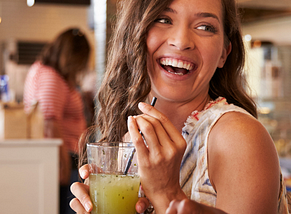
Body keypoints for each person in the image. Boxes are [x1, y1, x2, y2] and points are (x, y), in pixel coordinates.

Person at [69, 0, 290, 213]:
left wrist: (166, 192)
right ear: (136, 33)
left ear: (224, 52)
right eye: (164, 19)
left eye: (205, 27)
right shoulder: (130, 140)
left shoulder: (239, 138)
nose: (181, 40)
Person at [23, 28, 90, 214]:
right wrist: (62, 165)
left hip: (64, 155)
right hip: (64, 156)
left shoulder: (44, 71)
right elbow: (51, 123)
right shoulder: (51, 77)